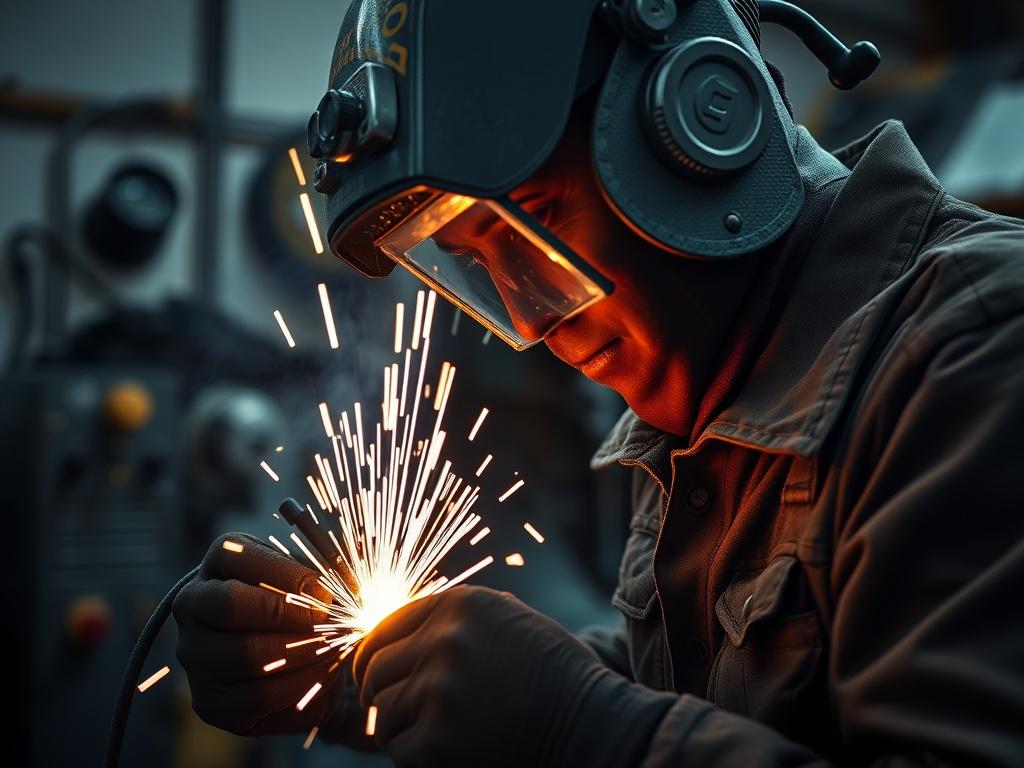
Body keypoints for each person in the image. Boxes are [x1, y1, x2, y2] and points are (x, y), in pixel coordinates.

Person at [173, 1, 1024, 764]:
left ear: (698, 121)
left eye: (533, 223)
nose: (532, 320)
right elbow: (714, 697)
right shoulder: (704, 406)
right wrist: (379, 684)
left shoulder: (977, 347)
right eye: (477, 263)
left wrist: (583, 733)